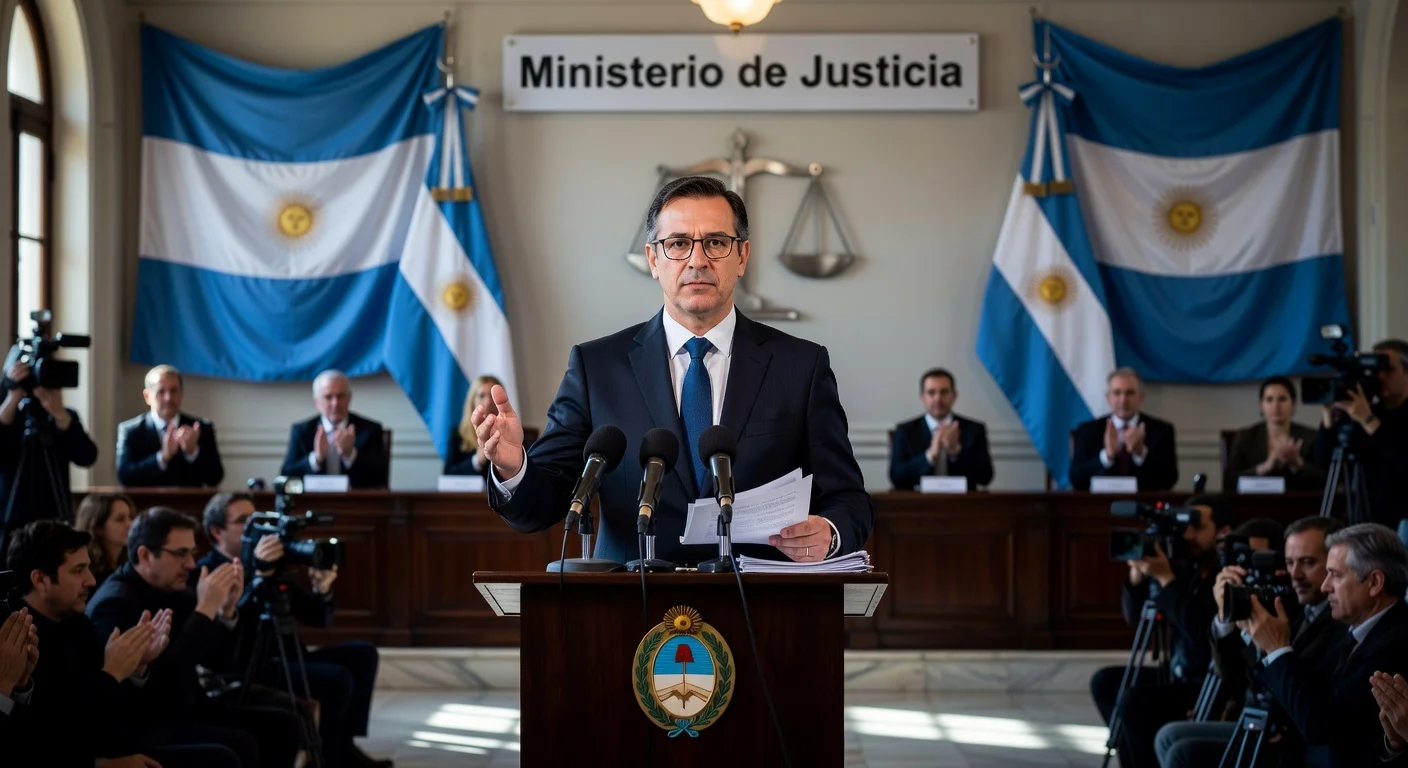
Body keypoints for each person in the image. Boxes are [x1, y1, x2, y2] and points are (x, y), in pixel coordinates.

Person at [478, 175, 874, 565]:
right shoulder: (597, 367)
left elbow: (848, 499)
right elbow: (541, 507)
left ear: (742, 257)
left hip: (759, 609)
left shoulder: (800, 366)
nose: (697, 260)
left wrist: (830, 531)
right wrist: (514, 468)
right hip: (630, 610)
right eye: (678, 244)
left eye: (716, 242)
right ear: (653, 259)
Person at [8, 519, 248, 768]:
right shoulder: (21, 636)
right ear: (41, 580)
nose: (91, 580)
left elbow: (115, 706)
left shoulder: (74, 621)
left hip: (119, 733)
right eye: (78, 570)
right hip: (87, 750)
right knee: (223, 757)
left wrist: (137, 667)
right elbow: (56, 727)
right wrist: (101, 762)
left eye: (88, 568)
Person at [87, 507, 301, 768]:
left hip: (187, 706)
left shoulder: (174, 586)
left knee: (284, 725)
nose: (190, 564)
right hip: (146, 720)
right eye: (180, 554)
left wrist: (226, 612)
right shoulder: (114, 604)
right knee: (237, 747)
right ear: (145, 555)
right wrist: (204, 611)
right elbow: (163, 684)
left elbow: (224, 664)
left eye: (191, 553)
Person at [197, 491, 389, 768]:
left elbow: (317, 619)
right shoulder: (208, 571)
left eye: (259, 519)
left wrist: (321, 589)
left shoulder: (274, 562)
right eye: (244, 522)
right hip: (250, 663)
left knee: (363, 655)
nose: (258, 529)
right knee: (336, 678)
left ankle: (344, 746)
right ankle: (331, 759)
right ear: (217, 532)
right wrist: (258, 577)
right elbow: (232, 626)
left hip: (289, 655)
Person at [1155, 516, 1346, 768]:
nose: (1295, 574)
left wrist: (1274, 646)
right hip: (1262, 719)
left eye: (1308, 562)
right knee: (1168, 735)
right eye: (1290, 563)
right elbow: (1235, 675)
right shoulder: (1294, 604)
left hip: (1290, 733)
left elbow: (1311, 701)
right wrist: (1227, 618)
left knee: (1183, 751)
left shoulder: (1337, 614)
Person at [1242, 523, 1408, 767]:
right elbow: (1298, 695)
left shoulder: (1398, 641)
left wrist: (1277, 648)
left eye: (1336, 575)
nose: (1325, 586)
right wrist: (1264, 642)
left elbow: (1320, 724)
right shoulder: (1347, 628)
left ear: (1374, 582)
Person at [1090, 494, 1230, 768]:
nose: (1188, 535)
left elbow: (1202, 635)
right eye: (1183, 527)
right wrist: (1138, 578)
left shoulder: (1225, 574)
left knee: (1134, 701)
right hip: (1177, 670)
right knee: (1105, 682)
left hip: (1205, 678)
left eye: (1198, 528)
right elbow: (1137, 619)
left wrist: (1166, 578)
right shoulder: (1186, 565)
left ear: (1223, 532)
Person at [0, 360, 99, 561]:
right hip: (11, 516)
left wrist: (60, 415)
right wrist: (13, 397)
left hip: (54, 515)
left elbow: (87, 456)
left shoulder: (64, 417)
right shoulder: (10, 416)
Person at [1316, 339, 1408, 527]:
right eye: (1374, 371)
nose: (1379, 377)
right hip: (1362, 518)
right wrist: (1328, 423)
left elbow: (1404, 460)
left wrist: (1369, 422)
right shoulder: (1362, 413)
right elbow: (1325, 464)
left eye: (1387, 370)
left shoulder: (1366, 416)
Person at [1070, 367, 1178, 491]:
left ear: (1141, 397)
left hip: (1144, 505)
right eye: (1117, 393)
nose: (1123, 400)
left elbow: (1170, 479)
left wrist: (1140, 453)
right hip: (1099, 505)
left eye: (1130, 393)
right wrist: (1107, 456)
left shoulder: (1162, 431)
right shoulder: (1088, 430)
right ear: (1108, 397)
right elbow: (1076, 479)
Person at [116, 365, 224, 488]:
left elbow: (216, 477)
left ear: (181, 393)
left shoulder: (200, 428)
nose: (168, 398)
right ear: (147, 396)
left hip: (189, 505)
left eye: (173, 391)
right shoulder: (131, 430)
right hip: (147, 505)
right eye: (161, 391)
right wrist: (162, 457)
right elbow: (124, 477)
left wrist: (193, 452)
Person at [888, 368, 994, 490]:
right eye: (931, 392)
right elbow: (896, 477)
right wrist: (929, 456)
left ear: (954, 395)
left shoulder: (974, 430)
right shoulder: (905, 431)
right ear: (922, 397)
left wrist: (956, 451)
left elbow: (986, 477)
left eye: (944, 392)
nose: (938, 398)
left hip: (964, 504)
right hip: (918, 505)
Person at [281, 370, 388, 489]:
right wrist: (316, 459)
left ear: (349, 399)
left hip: (356, 504)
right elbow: (286, 476)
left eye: (340, 396)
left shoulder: (370, 430)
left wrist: (350, 455)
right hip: (312, 503)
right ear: (316, 402)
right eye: (328, 397)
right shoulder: (301, 431)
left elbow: (380, 478)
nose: (335, 403)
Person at [1223, 375, 1324, 492]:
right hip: (1255, 504)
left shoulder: (1311, 437)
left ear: (1293, 404)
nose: (1276, 406)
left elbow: (1324, 480)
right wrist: (1264, 467)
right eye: (1269, 399)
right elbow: (1228, 481)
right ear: (1262, 405)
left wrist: (1298, 463)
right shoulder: (1245, 436)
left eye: (1282, 399)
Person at [75, 492, 137, 588]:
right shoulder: (88, 572)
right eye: (120, 519)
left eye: (131, 517)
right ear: (98, 527)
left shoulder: (129, 563)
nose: (130, 524)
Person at [444, 375, 503, 478]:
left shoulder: (513, 434)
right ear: (472, 402)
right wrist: (477, 461)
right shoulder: (458, 435)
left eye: (493, 396)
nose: (488, 402)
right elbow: (447, 475)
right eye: (481, 396)